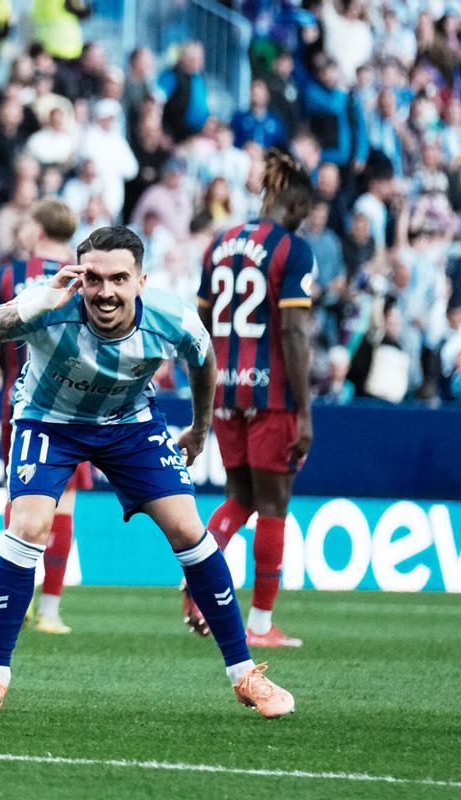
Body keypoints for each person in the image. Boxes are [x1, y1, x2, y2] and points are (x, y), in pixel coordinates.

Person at [0, 225, 294, 719]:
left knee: (188, 529)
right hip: (48, 421)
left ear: (140, 281)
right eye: (93, 278)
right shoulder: (50, 304)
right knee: (27, 526)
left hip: (129, 424)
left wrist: (200, 429)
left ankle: (245, 674)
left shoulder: (171, 316)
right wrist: (35, 304)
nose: (105, 292)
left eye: (118, 279)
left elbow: (204, 361)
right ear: (79, 276)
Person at [182, 150, 316, 649]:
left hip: (225, 389)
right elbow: (294, 332)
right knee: (273, 505)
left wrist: (204, 392)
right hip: (272, 393)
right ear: (295, 205)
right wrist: (304, 411)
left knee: (239, 498)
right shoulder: (293, 249)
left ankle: (197, 579)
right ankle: (259, 624)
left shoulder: (219, 243)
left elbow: (199, 324)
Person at [0, 199, 88, 634]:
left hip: (19, 400)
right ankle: (51, 611)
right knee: (65, 503)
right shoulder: (84, 277)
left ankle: (15, 598)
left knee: (19, 494)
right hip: (76, 403)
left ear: (38, 231)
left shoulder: (8, 276)